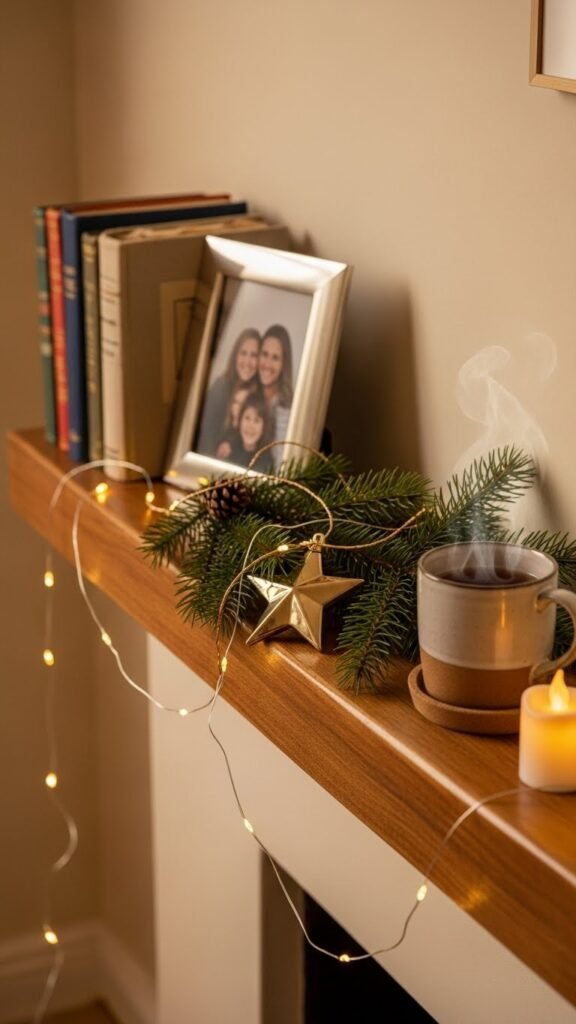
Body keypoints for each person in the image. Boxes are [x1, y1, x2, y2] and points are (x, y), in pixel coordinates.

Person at [195, 327, 261, 456]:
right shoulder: (221, 387)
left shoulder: (256, 392)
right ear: (235, 356)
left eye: (253, 355)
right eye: (243, 353)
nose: (247, 362)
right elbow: (205, 437)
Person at [258, 325, 293, 463]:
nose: (267, 364)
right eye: (265, 354)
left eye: (275, 358)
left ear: (284, 364)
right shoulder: (249, 395)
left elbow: (281, 462)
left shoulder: (285, 408)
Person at [227, 392, 272, 467]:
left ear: (264, 428)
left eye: (256, 421)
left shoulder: (266, 462)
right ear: (240, 420)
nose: (250, 426)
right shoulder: (228, 450)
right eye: (247, 418)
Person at [214, 383, 253, 460]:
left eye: (244, 403)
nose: (239, 407)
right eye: (236, 402)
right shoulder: (221, 428)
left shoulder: (248, 435)